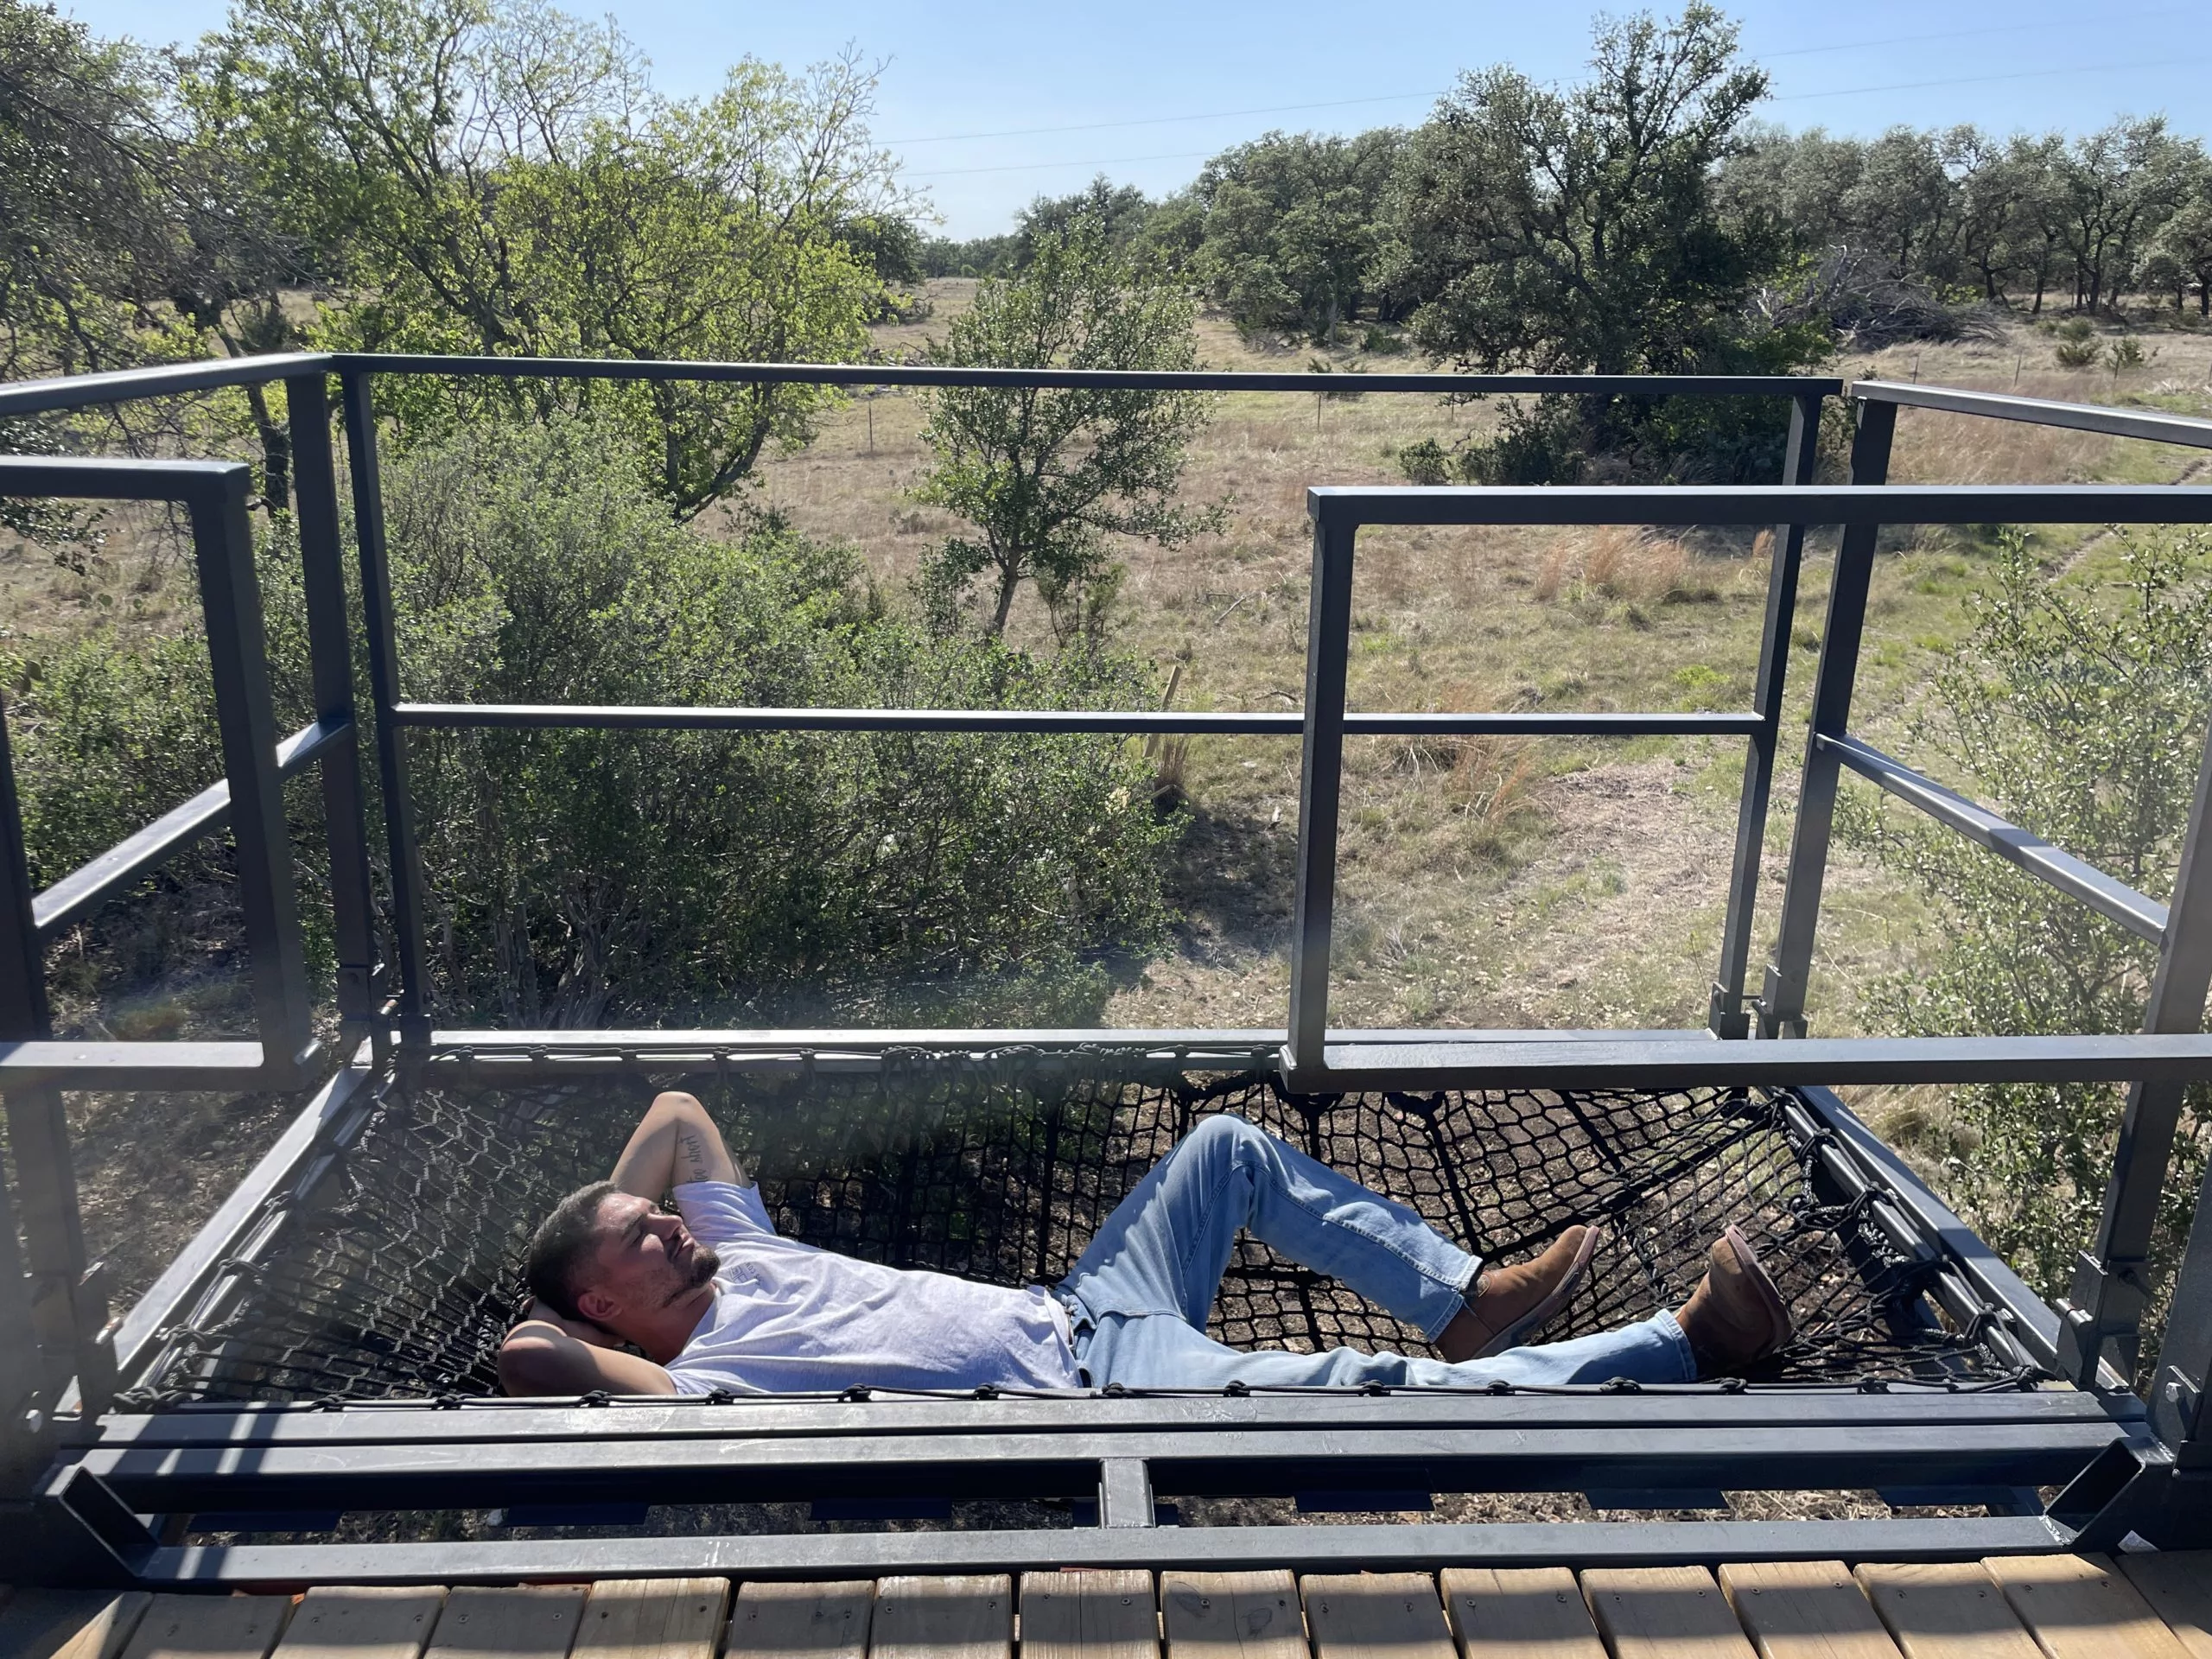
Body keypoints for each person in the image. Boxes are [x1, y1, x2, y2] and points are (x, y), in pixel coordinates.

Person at [499, 1090, 1795, 1397]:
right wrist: (565, 1309)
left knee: (1225, 1146)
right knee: (1365, 1388)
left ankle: (1463, 1299)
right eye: (643, 1240)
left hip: (1081, 1303)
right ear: (604, 1309)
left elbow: (677, 1116)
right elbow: (527, 1359)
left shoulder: (738, 1255)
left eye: (659, 1215)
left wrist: (599, 1238)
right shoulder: (700, 1377)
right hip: (1099, 1389)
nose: (669, 1222)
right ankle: (1686, 1347)